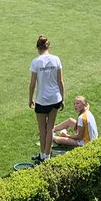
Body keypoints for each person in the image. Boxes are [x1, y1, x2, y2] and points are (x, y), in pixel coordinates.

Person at [28, 35, 64, 163]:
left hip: (42, 100)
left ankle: (43, 155)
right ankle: (47, 157)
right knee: (50, 128)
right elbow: (60, 81)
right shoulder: (56, 59)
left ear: (38, 48)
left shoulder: (36, 62)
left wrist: (30, 98)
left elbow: (32, 83)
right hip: (55, 98)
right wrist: (62, 98)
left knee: (42, 128)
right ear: (48, 46)